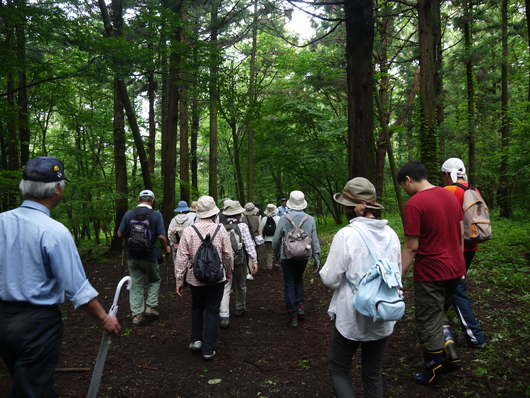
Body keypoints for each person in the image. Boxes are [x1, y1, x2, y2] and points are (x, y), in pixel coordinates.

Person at [0, 156, 121, 397]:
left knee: (30, 380)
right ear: (57, 189)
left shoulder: (2, 222)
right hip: (37, 324)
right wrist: (103, 318)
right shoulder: (54, 232)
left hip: (3, 319)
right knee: (31, 388)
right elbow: (76, 286)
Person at [319, 177, 401, 398]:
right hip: (384, 311)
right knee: (373, 373)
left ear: (352, 209)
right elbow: (397, 274)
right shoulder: (392, 235)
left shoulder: (346, 235)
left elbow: (331, 280)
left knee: (338, 370)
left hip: (351, 315)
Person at [397, 161, 466, 386]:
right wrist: (461, 262)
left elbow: (411, 247)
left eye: (402, 185)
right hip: (455, 268)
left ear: (408, 179)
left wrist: (397, 276)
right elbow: (460, 231)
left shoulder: (414, 204)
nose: (404, 190)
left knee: (428, 318)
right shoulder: (450, 196)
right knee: (439, 313)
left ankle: (433, 371)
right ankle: (448, 354)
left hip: (431, 272)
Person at [174, 195, 234, 360]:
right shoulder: (220, 229)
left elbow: (181, 259)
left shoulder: (188, 231)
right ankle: (208, 349)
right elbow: (228, 255)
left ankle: (196, 341)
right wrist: (228, 273)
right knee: (213, 311)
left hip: (195, 278)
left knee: (197, 307)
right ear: (213, 212)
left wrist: (179, 281)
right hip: (217, 278)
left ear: (198, 212)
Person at [441, 158, 487, 349]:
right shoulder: (474, 189)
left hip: (453, 248)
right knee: (449, 288)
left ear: (446, 174)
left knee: (457, 289)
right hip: (471, 246)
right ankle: (439, 322)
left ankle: (475, 337)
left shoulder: (448, 191)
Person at [117, 189, 170, 326]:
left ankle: (137, 315)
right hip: (150, 255)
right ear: (152, 201)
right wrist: (166, 248)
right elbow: (161, 236)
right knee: (155, 279)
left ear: (139, 199)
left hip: (133, 256)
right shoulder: (156, 215)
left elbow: (119, 234)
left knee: (135, 285)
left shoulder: (129, 214)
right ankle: (150, 307)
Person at [272, 190, 321, 327]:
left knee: (289, 283)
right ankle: (300, 306)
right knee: (298, 278)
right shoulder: (309, 219)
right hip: (304, 255)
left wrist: (276, 254)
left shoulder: (283, 218)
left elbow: (276, 239)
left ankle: (292, 316)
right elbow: (314, 239)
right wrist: (316, 256)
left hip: (287, 256)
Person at [219, 200, 259, 328]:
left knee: (225, 287)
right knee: (240, 285)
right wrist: (254, 260)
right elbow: (249, 244)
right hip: (239, 261)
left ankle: (224, 315)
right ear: (238, 214)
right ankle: (240, 307)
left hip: (224, 262)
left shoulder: (220, 226)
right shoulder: (242, 226)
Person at [261, 204, 281, 271]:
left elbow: (262, 228)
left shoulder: (264, 219)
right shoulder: (278, 218)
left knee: (269, 252)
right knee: (276, 251)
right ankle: (276, 263)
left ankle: (269, 266)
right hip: (276, 238)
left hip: (267, 238)